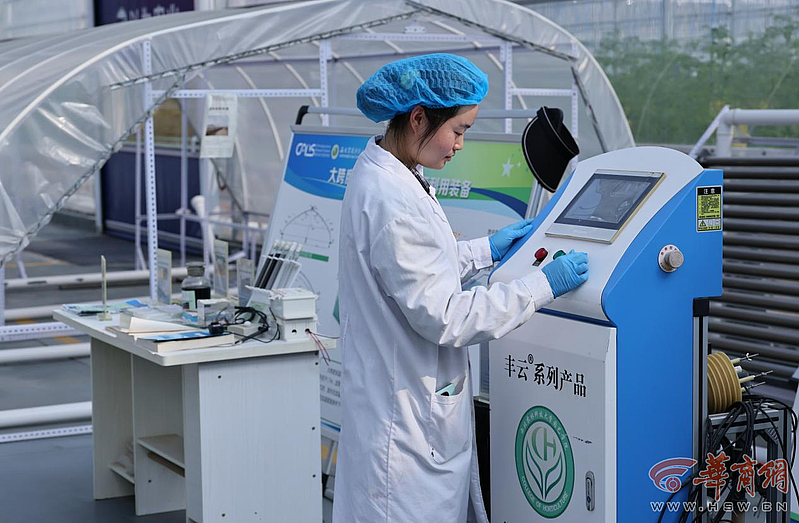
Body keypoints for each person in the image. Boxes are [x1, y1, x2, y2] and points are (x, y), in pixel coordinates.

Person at [332, 53, 589, 523]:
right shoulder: (391, 199)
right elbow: (446, 317)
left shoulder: (390, 173)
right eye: (458, 130)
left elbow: (416, 270)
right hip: (402, 437)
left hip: (398, 408)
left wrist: (487, 250)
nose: (460, 145)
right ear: (418, 118)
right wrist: (541, 285)